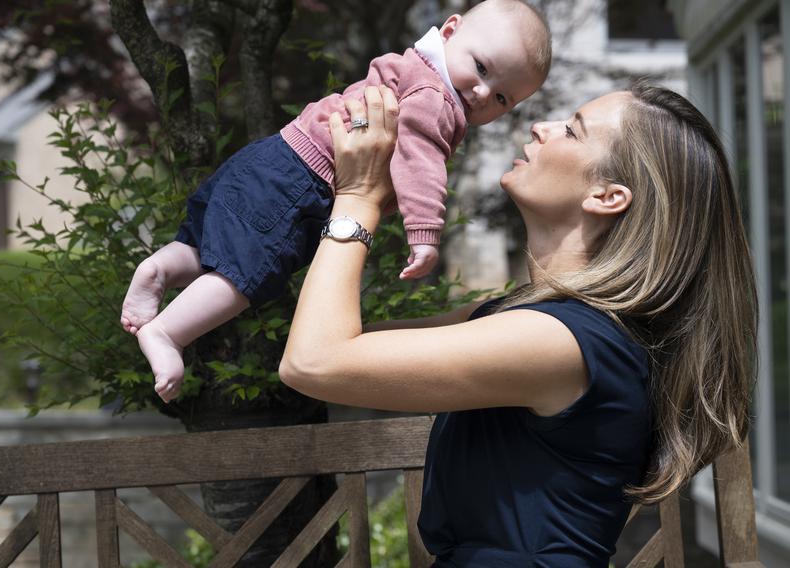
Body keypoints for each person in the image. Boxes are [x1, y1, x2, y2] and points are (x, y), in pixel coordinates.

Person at [276, 84, 758, 566]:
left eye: (571, 130)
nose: (540, 126)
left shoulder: (562, 342)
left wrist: (358, 198)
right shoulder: (521, 318)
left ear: (607, 196)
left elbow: (315, 361)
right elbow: (337, 341)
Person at [120, 0, 552, 403]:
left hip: (273, 156)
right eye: (480, 68)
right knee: (244, 275)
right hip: (301, 184)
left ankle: (160, 267)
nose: (480, 92)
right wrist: (424, 231)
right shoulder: (436, 98)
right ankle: (169, 333)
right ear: (451, 30)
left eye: (501, 98)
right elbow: (420, 163)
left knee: (208, 248)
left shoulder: (410, 67)